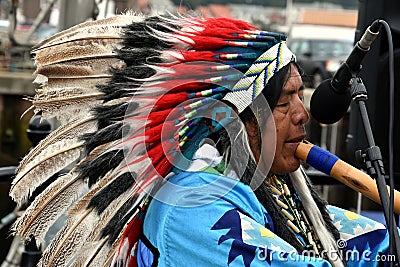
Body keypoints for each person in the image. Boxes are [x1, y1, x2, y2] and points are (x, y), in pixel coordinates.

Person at [10, 14, 396, 267]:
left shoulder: (269, 186)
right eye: (283, 102)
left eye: (300, 95)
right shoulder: (191, 204)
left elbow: (351, 240)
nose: (302, 114)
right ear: (235, 123)